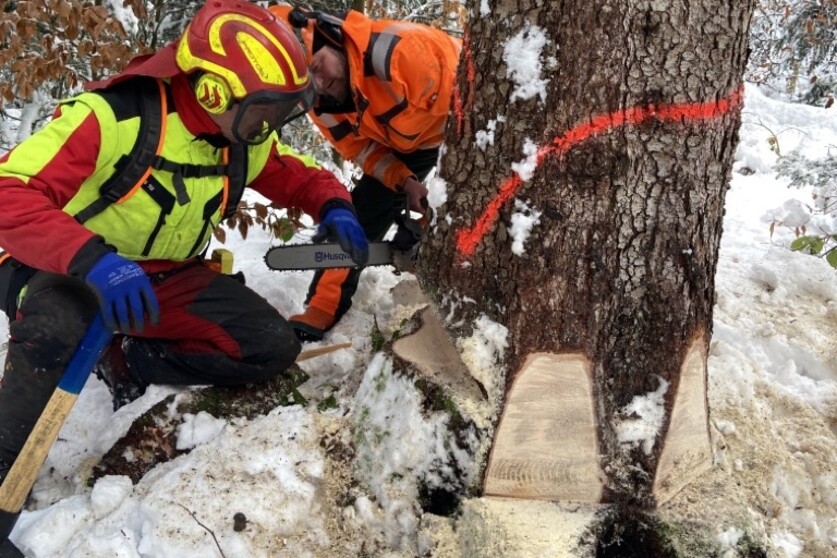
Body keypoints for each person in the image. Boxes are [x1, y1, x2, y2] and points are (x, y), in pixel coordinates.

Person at [0, 0, 368, 482]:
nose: (267, 126)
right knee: (56, 329)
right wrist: (93, 260)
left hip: (162, 275)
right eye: (263, 111)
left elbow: (299, 176)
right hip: (60, 267)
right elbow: (10, 194)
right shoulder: (114, 118)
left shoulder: (242, 139)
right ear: (216, 93)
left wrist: (333, 204)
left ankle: (124, 357)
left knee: (268, 345)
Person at [270, 4, 461, 342]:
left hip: (458, 133)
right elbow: (363, 151)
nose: (319, 82)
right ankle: (323, 305)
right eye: (305, 81)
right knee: (357, 213)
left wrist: (436, 205)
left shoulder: (403, 56)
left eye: (316, 66)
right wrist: (406, 181)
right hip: (403, 148)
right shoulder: (319, 101)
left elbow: (476, 117)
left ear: (328, 36)